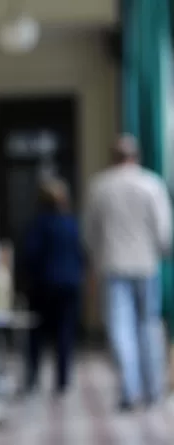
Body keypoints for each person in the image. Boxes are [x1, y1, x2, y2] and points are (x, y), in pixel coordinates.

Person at [84, 134, 173, 410]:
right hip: (146, 265)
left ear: (112, 157)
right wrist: (160, 252)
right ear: (136, 156)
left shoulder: (99, 187)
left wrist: (97, 256)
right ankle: (153, 389)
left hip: (112, 265)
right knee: (148, 325)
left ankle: (129, 390)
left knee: (121, 329)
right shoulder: (152, 184)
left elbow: (88, 234)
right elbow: (164, 233)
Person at [23, 178, 84, 394]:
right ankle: (62, 380)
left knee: (36, 333)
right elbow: (80, 254)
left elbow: (30, 255)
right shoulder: (71, 224)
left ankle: (33, 376)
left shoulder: (39, 224)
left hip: (44, 285)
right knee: (64, 333)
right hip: (69, 285)